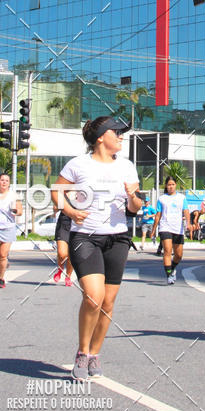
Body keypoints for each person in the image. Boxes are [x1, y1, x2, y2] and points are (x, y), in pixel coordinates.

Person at [51, 115, 142, 380]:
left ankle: (94, 353)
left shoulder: (127, 166)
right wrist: (70, 210)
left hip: (118, 238)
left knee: (108, 302)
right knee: (93, 297)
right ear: (102, 136)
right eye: (117, 132)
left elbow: (134, 209)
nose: (121, 136)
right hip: (85, 238)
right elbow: (56, 191)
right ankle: (82, 351)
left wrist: (133, 196)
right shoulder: (77, 165)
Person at [152, 176, 191, 284]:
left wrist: (189, 224)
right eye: (169, 185)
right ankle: (169, 276)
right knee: (168, 251)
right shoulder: (162, 199)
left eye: (173, 184)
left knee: (178, 255)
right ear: (166, 186)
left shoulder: (182, 198)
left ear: (175, 185)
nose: (171, 187)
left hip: (178, 229)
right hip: (165, 227)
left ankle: (172, 268)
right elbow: (158, 215)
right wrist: (153, 230)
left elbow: (186, 211)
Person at [52, 206, 73, 286]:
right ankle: (60, 269)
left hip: (76, 225)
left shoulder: (82, 194)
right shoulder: (62, 194)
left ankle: (68, 276)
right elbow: (55, 209)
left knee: (71, 255)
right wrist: (57, 206)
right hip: (63, 224)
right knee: (62, 253)